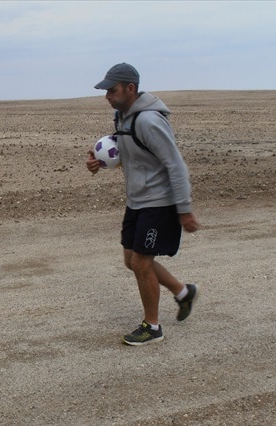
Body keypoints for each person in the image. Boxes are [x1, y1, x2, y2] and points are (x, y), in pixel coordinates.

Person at [86, 63, 200, 346]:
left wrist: (183, 209)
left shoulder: (149, 121)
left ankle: (152, 327)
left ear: (130, 88)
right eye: (106, 91)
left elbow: (176, 165)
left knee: (141, 261)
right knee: (132, 261)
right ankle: (183, 292)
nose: (107, 96)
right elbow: (133, 155)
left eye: (112, 90)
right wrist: (101, 163)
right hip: (136, 201)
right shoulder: (122, 118)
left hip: (159, 203)